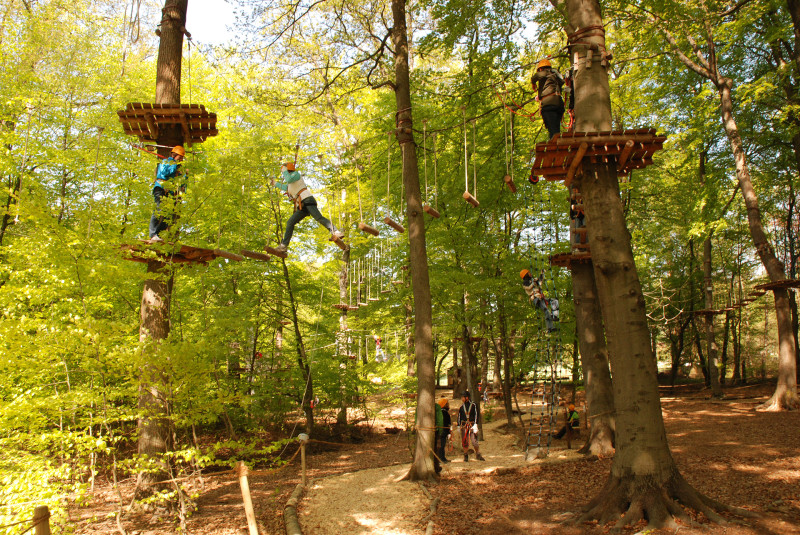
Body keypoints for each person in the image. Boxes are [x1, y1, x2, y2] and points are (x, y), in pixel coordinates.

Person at [271, 162, 344, 253]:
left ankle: (335, 231)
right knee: (290, 222)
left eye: (286, 172)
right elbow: (286, 187)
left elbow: (289, 179)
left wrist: (284, 170)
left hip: (307, 199)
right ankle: (284, 245)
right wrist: (275, 183)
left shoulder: (296, 174)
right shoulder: (291, 182)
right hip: (301, 206)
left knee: (318, 218)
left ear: (288, 170)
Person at [149, 145, 187, 241]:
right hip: (160, 187)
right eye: (180, 157)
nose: (181, 159)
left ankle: (159, 235)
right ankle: (153, 234)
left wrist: (185, 174)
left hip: (169, 191)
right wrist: (175, 165)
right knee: (159, 210)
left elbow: (182, 181)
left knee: (168, 214)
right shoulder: (166, 162)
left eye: (182, 158)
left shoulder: (177, 167)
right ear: (174, 155)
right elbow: (165, 173)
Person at [531, 59, 566, 140]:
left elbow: (535, 77)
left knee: (553, 131)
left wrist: (533, 83)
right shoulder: (555, 76)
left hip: (549, 105)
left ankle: (555, 148)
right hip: (559, 104)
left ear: (540, 69)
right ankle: (557, 145)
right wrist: (540, 97)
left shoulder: (545, 72)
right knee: (556, 129)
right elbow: (552, 88)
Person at [458, 390, 485, 462]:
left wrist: (476, 424)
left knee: (474, 441)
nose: (461, 398)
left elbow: (476, 415)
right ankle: (465, 455)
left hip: (472, 425)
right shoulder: (461, 407)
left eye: (462, 397)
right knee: (465, 441)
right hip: (464, 426)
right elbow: (459, 417)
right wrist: (458, 425)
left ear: (467, 397)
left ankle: (478, 454)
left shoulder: (474, 405)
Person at [436, 398, 452, 464]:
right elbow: (445, 422)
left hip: (443, 430)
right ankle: (441, 458)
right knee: (442, 445)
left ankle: (443, 458)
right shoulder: (444, 412)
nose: (448, 405)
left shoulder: (441, 412)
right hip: (443, 430)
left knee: (443, 444)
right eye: (447, 403)